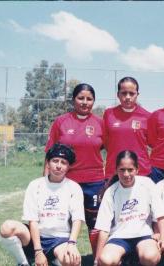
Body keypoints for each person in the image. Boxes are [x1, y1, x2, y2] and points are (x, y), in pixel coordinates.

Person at [0, 143, 84, 266]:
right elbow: (33, 220)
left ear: (68, 166)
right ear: (48, 163)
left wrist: (72, 243)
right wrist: (38, 251)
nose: (59, 166)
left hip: (60, 239)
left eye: (63, 162)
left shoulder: (74, 187)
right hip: (36, 237)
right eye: (55, 161)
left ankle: (54, 258)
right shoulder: (35, 185)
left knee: (72, 261)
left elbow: (77, 219)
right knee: (7, 227)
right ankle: (24, 262)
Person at [44, 83, 104, 256]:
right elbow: (49, 153)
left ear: (93, 101)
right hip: (67, 182)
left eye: (89, 99)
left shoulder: (100, 123)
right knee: (64, 223)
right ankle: (62, 257)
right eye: (81, 98)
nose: (85, 102)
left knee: (96, 223)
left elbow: (110, 148)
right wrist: (46, 181)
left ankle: (98, 258)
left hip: (94, 182)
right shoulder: (61, 122)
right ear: (73, 99)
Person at [95, 150, 164, 266]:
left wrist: (163, 238)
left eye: (130, 170)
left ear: (137, 169)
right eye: (122, 170)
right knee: (106, 260)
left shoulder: (147, 184)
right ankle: (125, 261)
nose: (126, 174)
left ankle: (135, 260)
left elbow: (160, 215)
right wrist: (97, 258)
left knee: (151, 257)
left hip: (143, 236)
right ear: (116, 170)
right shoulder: (111, 192)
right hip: (119, 237)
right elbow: (103, 228)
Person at [103, 76, 151, 179]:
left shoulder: (147, 116)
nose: (128, 97)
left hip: (140, 172)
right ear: (118, 95)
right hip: (114, 171)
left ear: (137, 94)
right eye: (124, 93)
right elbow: (106, 143)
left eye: (132, 93)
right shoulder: (108, 114)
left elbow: (151, 143)